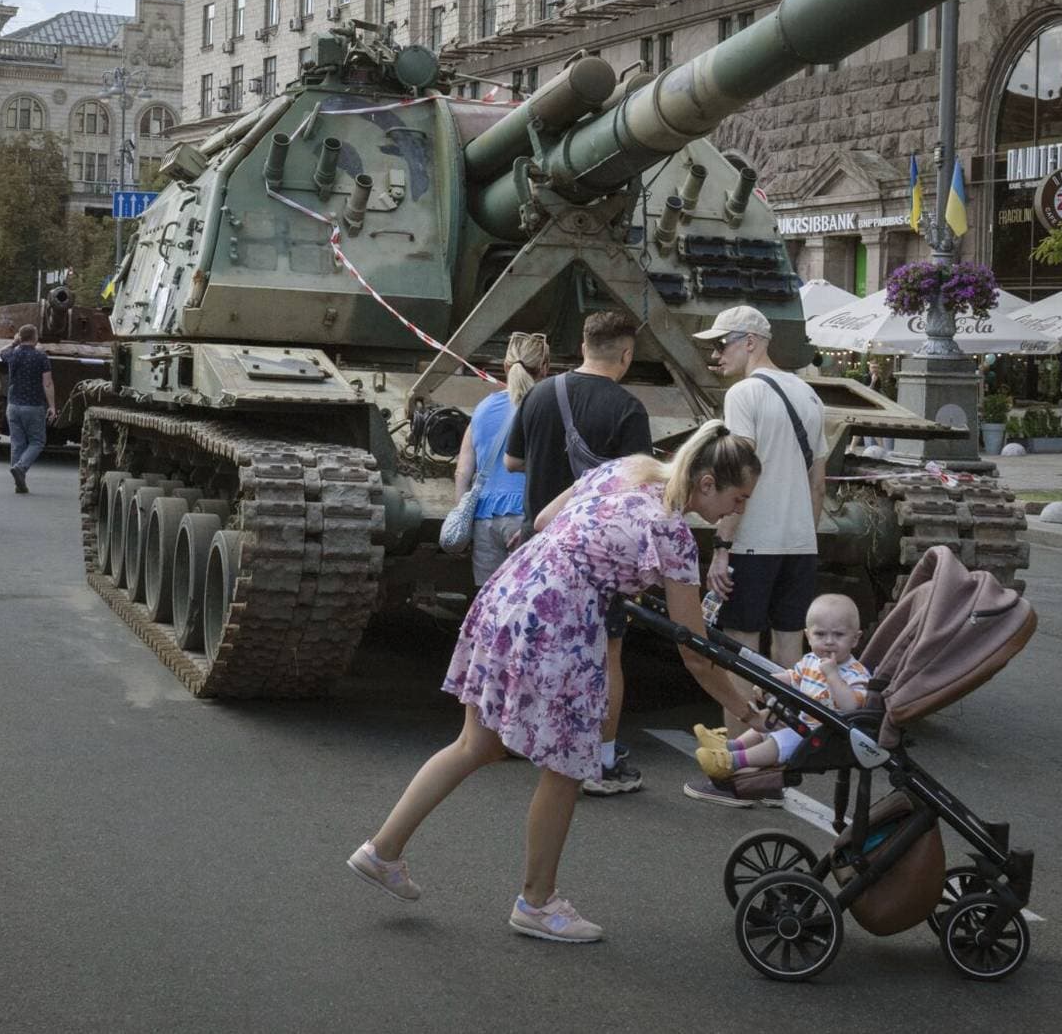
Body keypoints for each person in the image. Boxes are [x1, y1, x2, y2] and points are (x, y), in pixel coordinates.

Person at [348, 425, 766, 943]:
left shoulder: (627, 468)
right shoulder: (673, 535)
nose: (735, 510)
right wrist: (747, 711)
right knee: (567, 764)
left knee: (474, 743)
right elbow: (695, 652)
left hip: (514, 593)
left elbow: (547, 519)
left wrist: (602, 566)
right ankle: (538, 902)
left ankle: (383, 850)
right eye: (736, 497)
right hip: (560, 623)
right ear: (706, 483)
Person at [504, 310, 653, 796]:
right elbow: (637, 488)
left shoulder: (541, 394)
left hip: (540, 546)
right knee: (606, 653)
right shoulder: (629, 409)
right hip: (596, 557)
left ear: (583, 345)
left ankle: (524, 738)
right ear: (626, 354)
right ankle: (602, 761)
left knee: (540, 647)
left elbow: (513, 460)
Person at [686, 304, 828, 810]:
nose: (715, 353)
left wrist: (722, 547)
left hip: (753, 541)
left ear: (752, 342)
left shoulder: (744, 394)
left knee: (739, 654)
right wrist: (805, 538)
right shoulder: (808, 393)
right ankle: (784, 762)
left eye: (722, 343)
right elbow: (817, 480)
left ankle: (739, 774)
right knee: (792, 657)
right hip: (798, 543)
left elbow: (734, 476)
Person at [691, 594, 867, 779]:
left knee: (779, 740)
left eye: (839, 634)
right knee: (768, 724)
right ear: (808, 636)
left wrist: (832, 676)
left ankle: (733, 761)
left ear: (855, 639)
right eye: (820, 634)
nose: (829, 641)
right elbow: (792, 678)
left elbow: (851, 706)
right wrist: (768, 683)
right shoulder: (811, 660)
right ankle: (729, 746)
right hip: (805, 724)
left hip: (828, 735)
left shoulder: (855, 672)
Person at [453, 332, 551, 584]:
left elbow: (462, 471)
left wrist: (461, 518)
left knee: (488, 602)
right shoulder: (548, 408)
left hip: (485, 520)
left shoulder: (483, 408)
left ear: (506, 367)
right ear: (545, 368)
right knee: (525, 601)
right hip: (527, 518)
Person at [3, 324, 57, 495]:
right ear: (35, 337)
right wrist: (52, 406)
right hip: (33, 406)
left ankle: (19, 483)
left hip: (13, 405)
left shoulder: (12, 354)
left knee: (17, 443)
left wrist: (14, 342)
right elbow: (47, 383)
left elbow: (1, 353)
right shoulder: (41, 357)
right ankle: (21, 467)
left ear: (20, 337)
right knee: (37, 442)